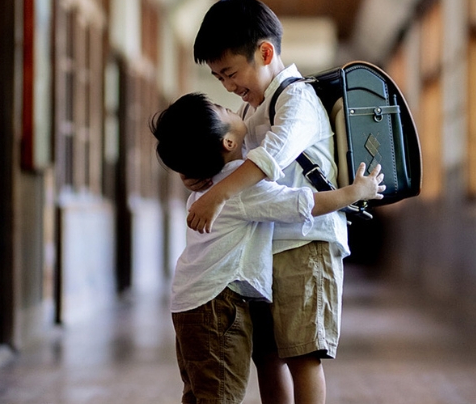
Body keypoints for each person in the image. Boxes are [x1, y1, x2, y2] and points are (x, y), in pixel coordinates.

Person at [151, 92, 384, 404]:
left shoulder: (209, 185)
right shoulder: (241, 186)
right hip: (218, 305)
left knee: (199, 393)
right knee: (220, 395)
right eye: (222, 108)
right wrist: (356, 192)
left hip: (191, 304)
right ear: (228, 144)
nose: (232, 105)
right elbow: (303, 203)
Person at [185, 0, 359, 404]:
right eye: (219, 78)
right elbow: (238, 165)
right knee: (268, 356)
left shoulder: (297, 100)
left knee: (302, 357)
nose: (228, 85)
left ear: (265, 52)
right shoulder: (254, 106)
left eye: (230, 72)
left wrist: (217, 195)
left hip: (307, 242)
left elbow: (268, 159)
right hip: (267, 248)